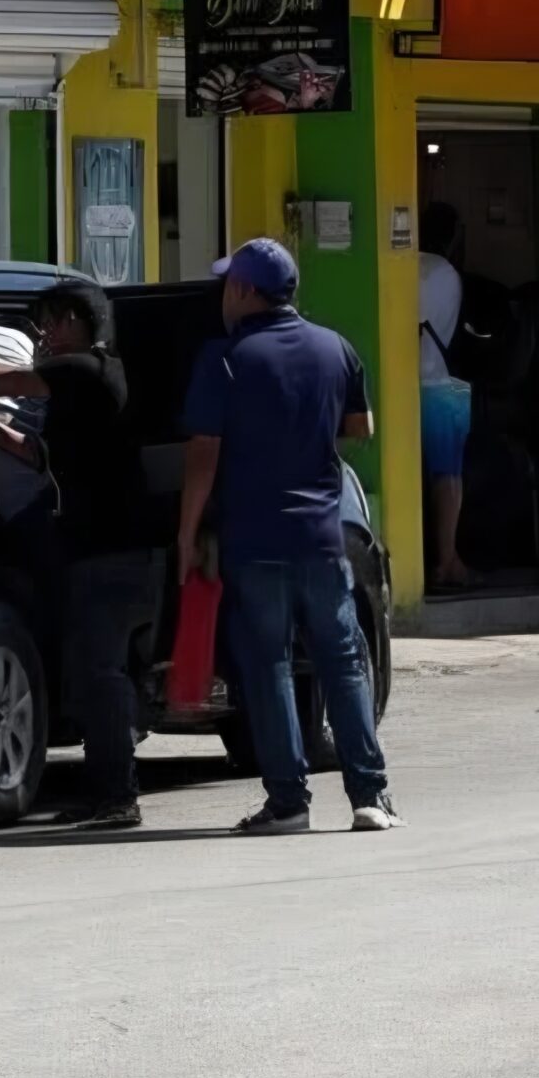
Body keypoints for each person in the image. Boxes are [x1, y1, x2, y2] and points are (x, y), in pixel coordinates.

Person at [179, 238, 398, 835]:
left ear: (245, 290)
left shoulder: (224, 358)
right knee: (343, 660)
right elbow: (361, 426)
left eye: (228, 285)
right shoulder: (336, 348)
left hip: (255, 540)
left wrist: (188, 534)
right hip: (323, 536)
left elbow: (202, 456)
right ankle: (370, 797)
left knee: (269, 664)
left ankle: (288, 803)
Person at [0, 279, 159, 830]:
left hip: (113, 553)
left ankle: (119, 798)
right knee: (90, 676)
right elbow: (39, 456)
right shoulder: (80, 391)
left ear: (78, 321)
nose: (45, 334)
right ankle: (103, 794)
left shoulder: (89, 369)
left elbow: (5, 378)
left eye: (52, 322)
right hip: (99, 553)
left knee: (101, 676)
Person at [416, 200, 472, 590]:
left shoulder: (403, 263)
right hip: (439, 383)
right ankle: (447, 559)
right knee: (448, 474)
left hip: (400, 384)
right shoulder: (447, 273)